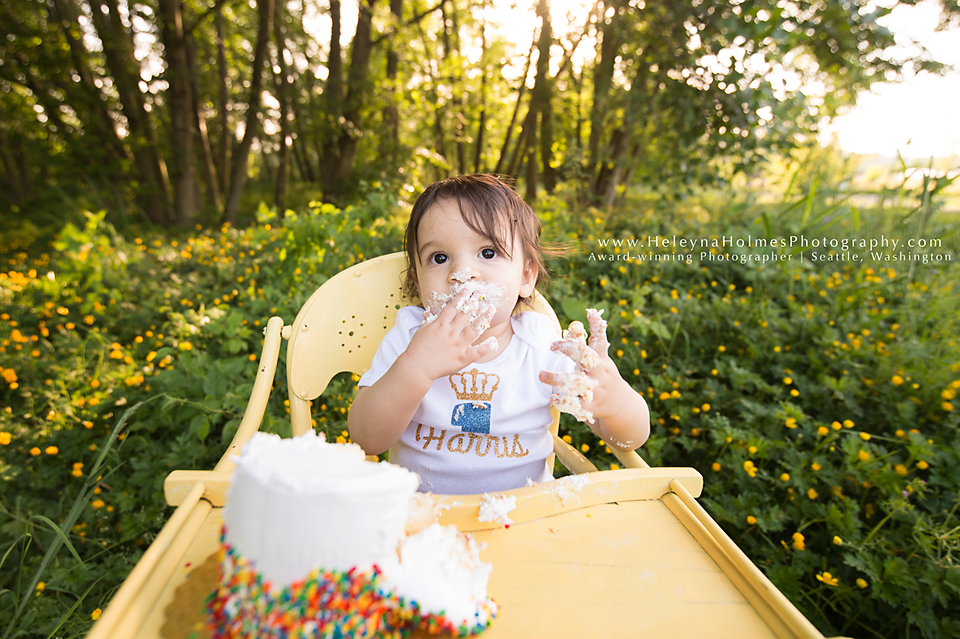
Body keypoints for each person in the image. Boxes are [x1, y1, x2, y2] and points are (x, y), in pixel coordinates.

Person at [348, 174, 649, 494]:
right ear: (417, 280)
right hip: (424, 517)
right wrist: (416, 367)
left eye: (488, 252)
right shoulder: (409, 336)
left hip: (524, 515)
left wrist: (613, 401)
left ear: (526, 276)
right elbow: (366, 439)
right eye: (439, 258)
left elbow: (631, 438)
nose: (462, 273)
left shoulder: (541, 345)